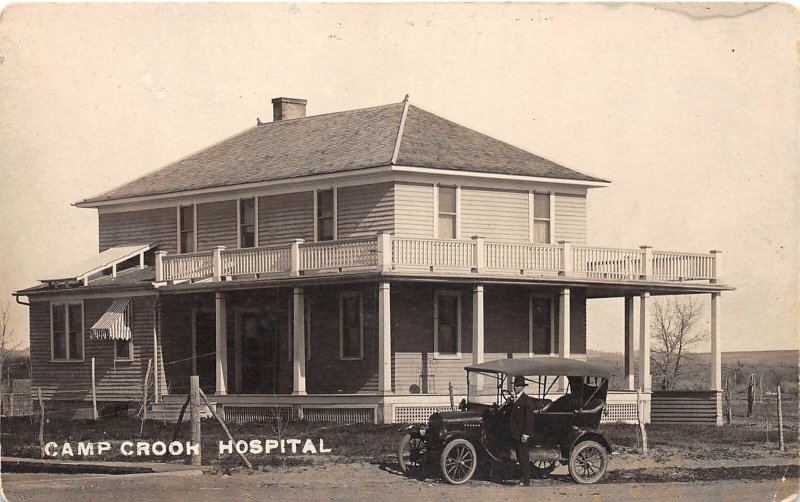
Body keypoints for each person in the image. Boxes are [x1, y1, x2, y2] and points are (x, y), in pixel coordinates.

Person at [509, 375, 536, 486]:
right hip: (515, 433)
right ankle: (522, 478)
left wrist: (526, 434)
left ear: (523, 387)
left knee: (524, 457)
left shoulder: (526, 401)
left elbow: (529, 420)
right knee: (520, 456)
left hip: (522, 434)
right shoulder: (515, 399)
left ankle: (526, 480)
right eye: (515, 385)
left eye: (518, 386)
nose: (515, 387)